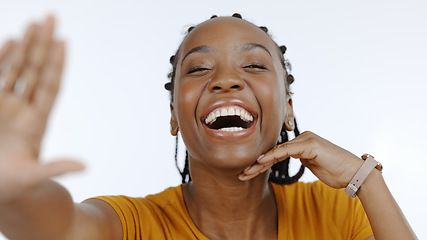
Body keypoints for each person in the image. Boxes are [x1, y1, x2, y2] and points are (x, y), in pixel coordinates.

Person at [0, 14, 417, 240]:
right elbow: (53, 228)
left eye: (253, 65)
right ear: (173, 115)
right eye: (199, 69)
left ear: (289, 109)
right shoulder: (132, 224)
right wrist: (14, 192)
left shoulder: (339, 212)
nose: (226, 80)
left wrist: (368, 182)